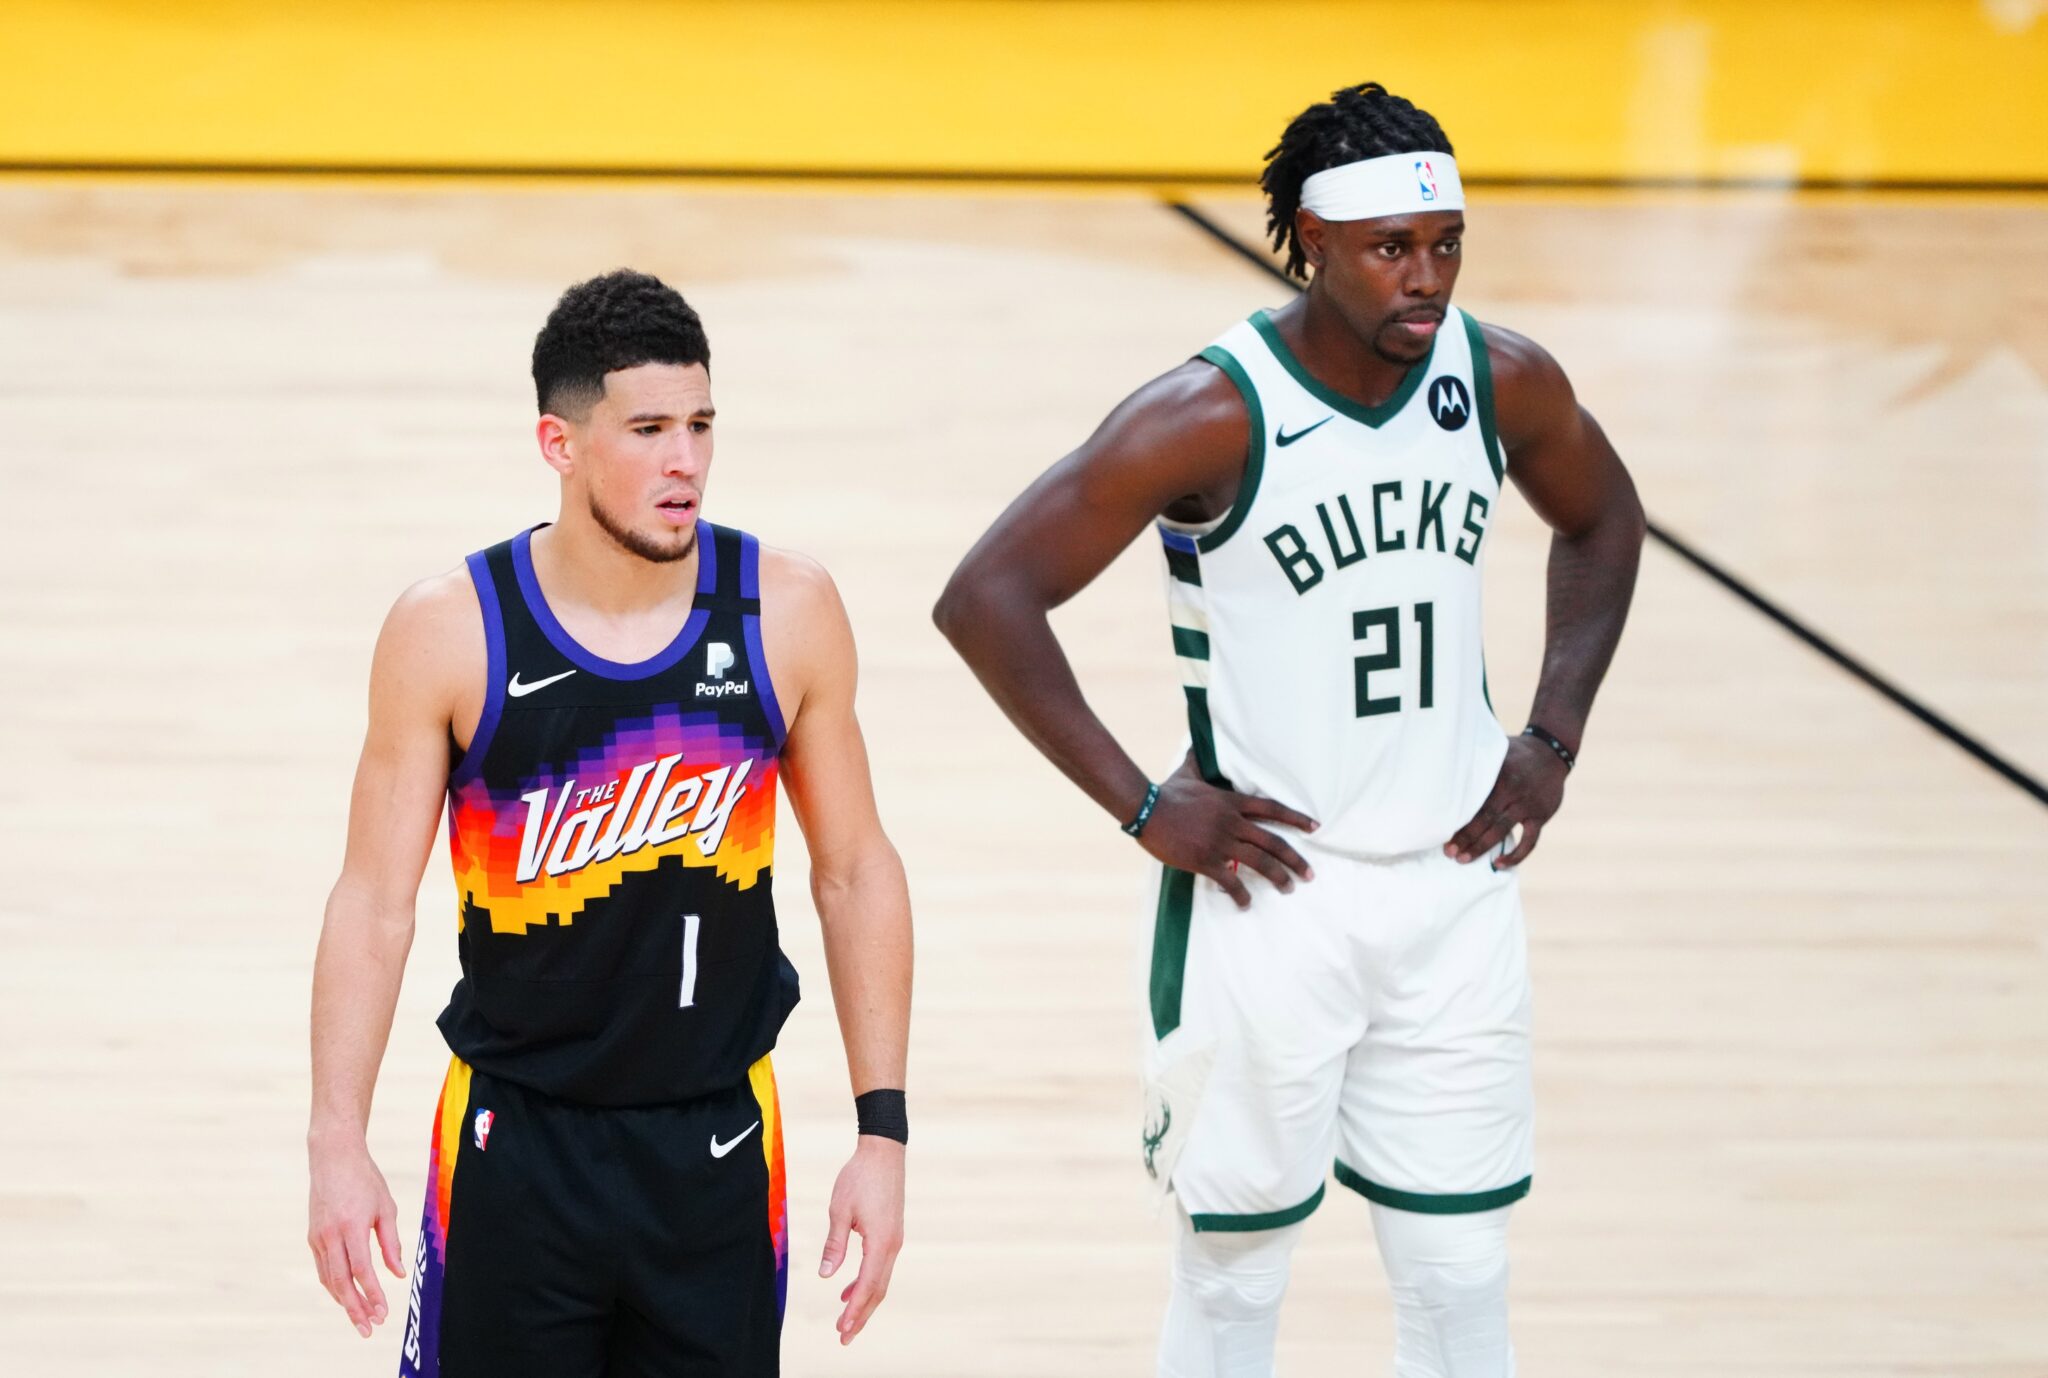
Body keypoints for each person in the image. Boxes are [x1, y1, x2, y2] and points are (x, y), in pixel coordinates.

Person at [934, 83, 1643, 1377]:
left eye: (1445, 245)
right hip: (1272, 896)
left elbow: (1603, 517)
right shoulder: (1211, 412)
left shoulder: (1500, 379)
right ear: (1312, 242)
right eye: (1390, 249)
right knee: (1234, 1273)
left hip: (1454, 891)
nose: (1425, 278)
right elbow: (986, 597)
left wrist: (1552, 738)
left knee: (1459, 1275)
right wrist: (1143, 805)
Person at [307, 269, 913, 1377]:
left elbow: (855, 871)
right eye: (648, 430)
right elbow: (374, 903)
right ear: (561, 443)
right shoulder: (450, 631)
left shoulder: (785, 609)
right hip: (514, 1148)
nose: (686, 460)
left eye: (700, 425)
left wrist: (883, 1133)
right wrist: (335, 1138)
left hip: (717, 1146)